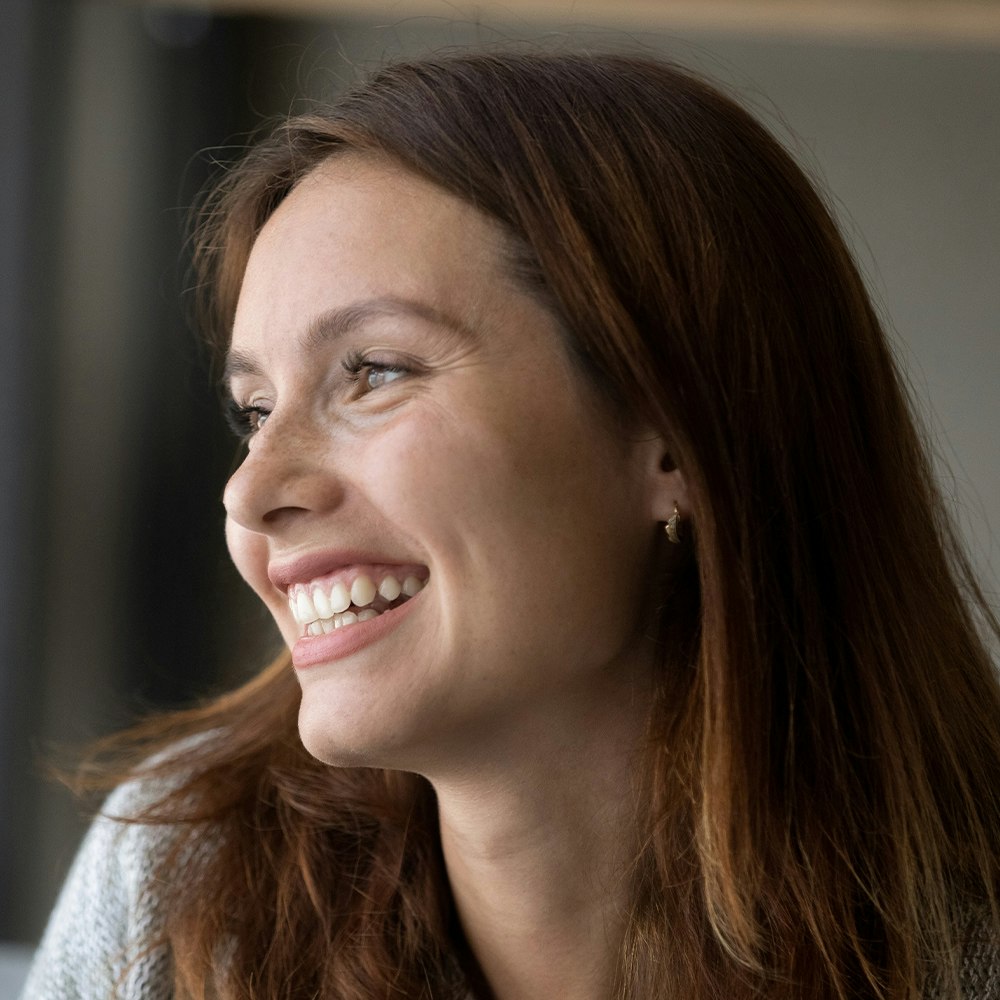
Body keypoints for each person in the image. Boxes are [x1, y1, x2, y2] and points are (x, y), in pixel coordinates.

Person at [20, 51, 1000, 1000]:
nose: (249, 491)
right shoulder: (182, 876)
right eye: (255, 409)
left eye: (373, 370)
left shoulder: (967, 935)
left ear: (676, 435)